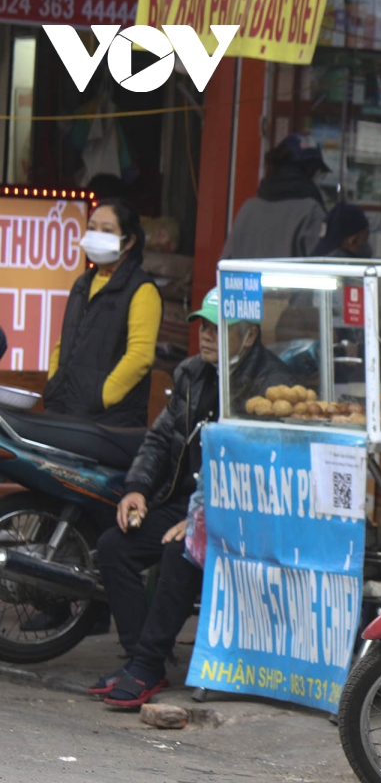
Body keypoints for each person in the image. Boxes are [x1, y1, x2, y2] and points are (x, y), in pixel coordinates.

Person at [87, 288, 290, 708]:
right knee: (114, 546)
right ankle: (145, 659)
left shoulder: (271, 383)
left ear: (249, 336)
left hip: (237, 511)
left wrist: (203, 515)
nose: (208, 335)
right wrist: (137, 489)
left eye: (221, 327)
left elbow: (259, 464)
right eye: (205, 325)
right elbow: (160, 438)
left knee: (183, 552)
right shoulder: (191, 373)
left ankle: (144, 664)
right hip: (184, 501)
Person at [43, 198, 161, 427]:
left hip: (107, 422)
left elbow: (140, 358)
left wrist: (101, 397)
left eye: (107, 230)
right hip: (63, 411)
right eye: (91, 228)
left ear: (129, 241)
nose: (96, 235)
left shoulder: (142, 290)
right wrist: (54, 385)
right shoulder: (82, 283)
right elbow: (63, 342)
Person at [222, 133, 328, 259]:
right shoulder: (311, 212)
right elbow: (323, 266)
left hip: (248, 279)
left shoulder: (248, 209)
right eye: (320, 172)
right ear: (311, 169)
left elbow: (224, 263)